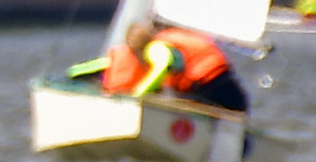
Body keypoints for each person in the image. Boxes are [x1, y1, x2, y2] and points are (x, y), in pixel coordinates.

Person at [67, 19, 250, 114]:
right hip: (221, 82)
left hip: (210, 87)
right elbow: (93, 66)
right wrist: (72, 74)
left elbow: (161, 67)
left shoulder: (156, 47)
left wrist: (138, 95)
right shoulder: (173, 37)